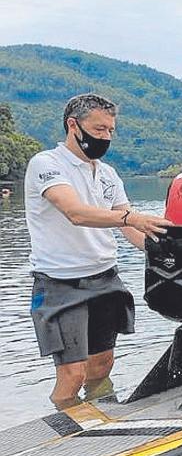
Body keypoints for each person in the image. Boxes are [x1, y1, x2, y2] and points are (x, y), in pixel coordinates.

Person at [24, 93, 172, 408]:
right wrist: (131, 217)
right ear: (73, 125)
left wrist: (165, 253)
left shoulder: (107, 173)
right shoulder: (46, 164)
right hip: (61, 282)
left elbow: (130, 228)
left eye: (110, 131)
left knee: (102, 363)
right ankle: (64, 434)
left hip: (105, 277)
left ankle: (102, 418)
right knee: (72, 373)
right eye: (99, 129)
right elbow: (75, 212)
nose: (105, 137)